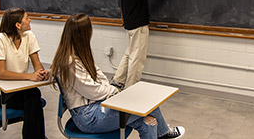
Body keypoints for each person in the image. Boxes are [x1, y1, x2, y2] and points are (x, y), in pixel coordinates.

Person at [50, 13, 185, 139]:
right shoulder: (69, 63)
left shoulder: (80, 54)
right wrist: (114, 91)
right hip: (88, 117)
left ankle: (162, 133)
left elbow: (100, 77)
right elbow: (92, 91)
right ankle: (164, 133)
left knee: (148, 121)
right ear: (82, 35)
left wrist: (109, 92)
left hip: (97, 105)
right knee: (146, 104)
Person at [111, 0, 177, 89]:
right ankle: (131, 88)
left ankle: (118, 80)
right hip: (138, 24)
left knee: (130, 53)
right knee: (137, 58)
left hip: (130, 23)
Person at [0, 7, 48, 139]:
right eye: (26, 18)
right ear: (18, 25)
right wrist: (30, 76)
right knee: (33, 102)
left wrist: (41, 72)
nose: (30, 20)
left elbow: (36, 62)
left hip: (17, 87)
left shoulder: (29, 35)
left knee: (34, 96)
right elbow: (2, 73)